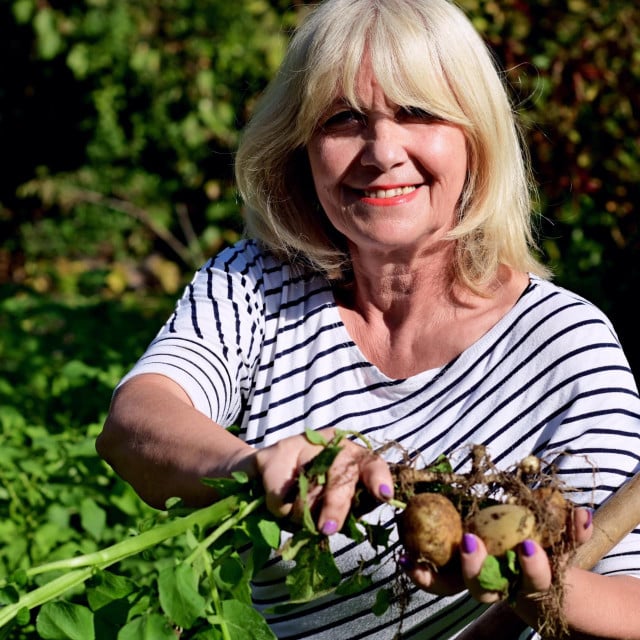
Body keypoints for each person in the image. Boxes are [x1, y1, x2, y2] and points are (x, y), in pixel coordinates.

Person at [96, 0, 640, 638]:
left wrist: (530, 586)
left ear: (475, 136)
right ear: (300, 145)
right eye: (343, 119)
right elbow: (135, 422)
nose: (383, 151)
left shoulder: (565, 344)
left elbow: (631, 605)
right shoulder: (259, 283)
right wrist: (252, 466)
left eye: (418, 113)